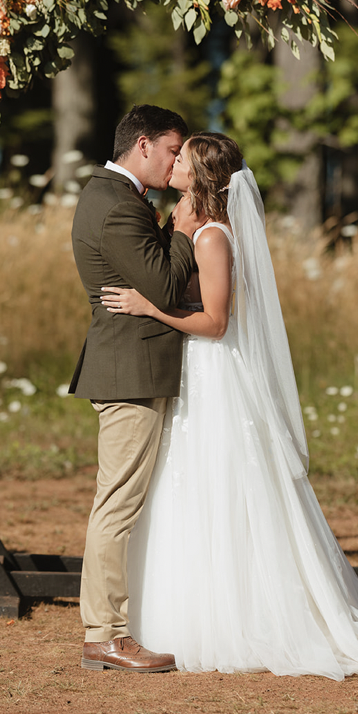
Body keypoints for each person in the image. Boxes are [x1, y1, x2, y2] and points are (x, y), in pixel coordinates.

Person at [101, 132, 358, 679]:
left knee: (221, 483)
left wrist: (150, 311)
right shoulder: (194, 227)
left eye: (182, 159)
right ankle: (179, 611)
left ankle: (239, 616)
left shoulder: (212, 239)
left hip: (213, 369)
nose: (172, 162)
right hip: (197, 371)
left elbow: (215, 322)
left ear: (200, 175)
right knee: (191, 485)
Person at [69, 104, 207, 672]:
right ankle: (105, 633)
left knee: (126, 501)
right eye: (174, 151)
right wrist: (181, 226)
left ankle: (120, 624)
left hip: (138, 365)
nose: (178, 163)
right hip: (129, 369)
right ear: (143, 144)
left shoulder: (115, 197)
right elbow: (168, 285)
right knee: (117, 504)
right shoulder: (117, 206)